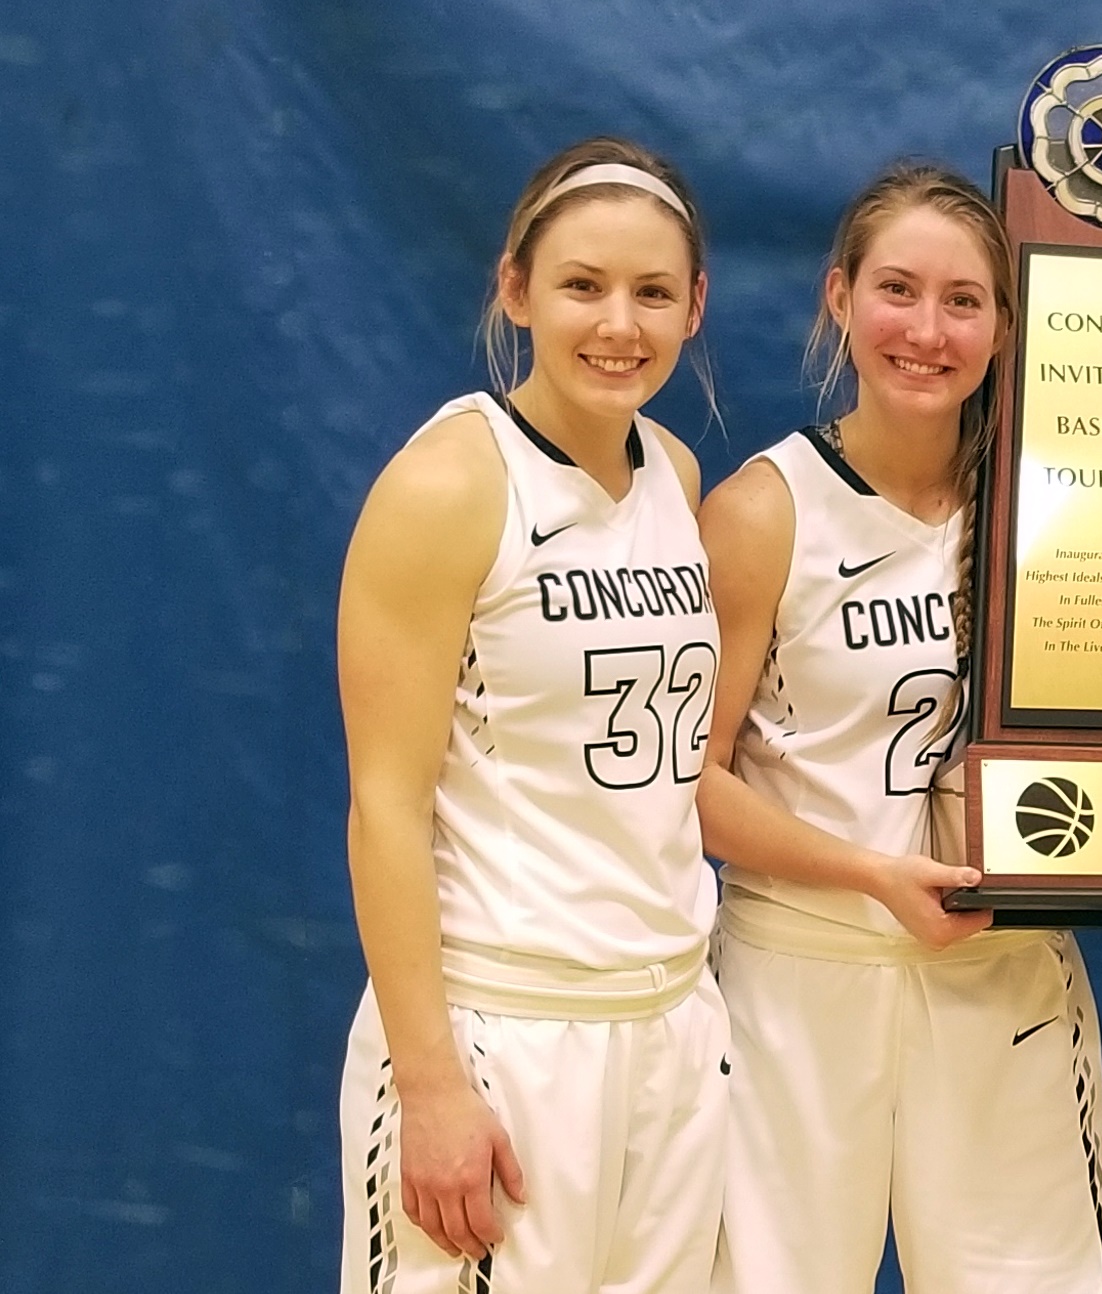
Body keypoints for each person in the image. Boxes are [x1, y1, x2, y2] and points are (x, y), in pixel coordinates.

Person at [696, 161, 1102, 1294]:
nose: (927, 331)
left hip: (1003, 977)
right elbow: (691, 785)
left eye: (964, 301)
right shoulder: (762, 509)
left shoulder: (1073, 510)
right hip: (799, 980)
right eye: (897, 290)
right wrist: (871, 872)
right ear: (838, 298)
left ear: (1006, 323)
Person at [336, 137, 727, 1292]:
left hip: (667, 1019)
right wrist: (432, 1084)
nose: (620, 323)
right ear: (515, 289)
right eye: (582, 285)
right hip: (502, 1028)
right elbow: (385, 803)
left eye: (653, 292)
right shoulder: (450, 484)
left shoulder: (678, 475)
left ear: (695, 306)